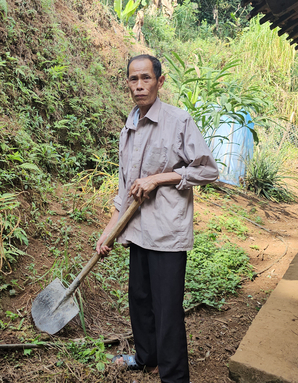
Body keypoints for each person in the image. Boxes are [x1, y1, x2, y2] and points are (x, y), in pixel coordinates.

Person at [96, 54, 219, 383]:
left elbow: (207, 169)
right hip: (137, 231)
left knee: (167, 309)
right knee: (139, 297)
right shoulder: (130, 124)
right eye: (133, 79)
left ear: (159, 81)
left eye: (146, 78)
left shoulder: (179, 121)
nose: (139, 86)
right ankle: (146, 357)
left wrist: (159, 178)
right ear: (127, 83)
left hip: (166, 232)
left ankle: (174, 376)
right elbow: (124, 187)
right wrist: (109, 231)